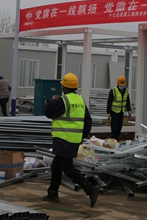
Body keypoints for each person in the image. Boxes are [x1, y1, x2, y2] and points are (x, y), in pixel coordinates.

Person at [42, 72, 98, 207]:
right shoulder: (80, 101)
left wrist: (52, 100)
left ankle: (90, 189)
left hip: (63, 139)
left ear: (65, 88)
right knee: (56, 166)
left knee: (68, 169)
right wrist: (82, 136)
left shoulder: (63, 100)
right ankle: (52, 193)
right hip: (73, 140)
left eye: (63, 86)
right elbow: (88, 121)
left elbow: (48, 112)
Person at [107, 76, 131, 141]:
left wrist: (129, 110)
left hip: (121, 111)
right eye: (120, 85)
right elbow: (109, 102)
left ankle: (117, 138)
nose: (121, 86)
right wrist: (108, 112)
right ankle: (114, 139)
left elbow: (127, 101)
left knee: (119, 126)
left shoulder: (126, 91)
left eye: (122, 85)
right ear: (117, 84)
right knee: (114, 126)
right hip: (114, 111)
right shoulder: (113, 91)